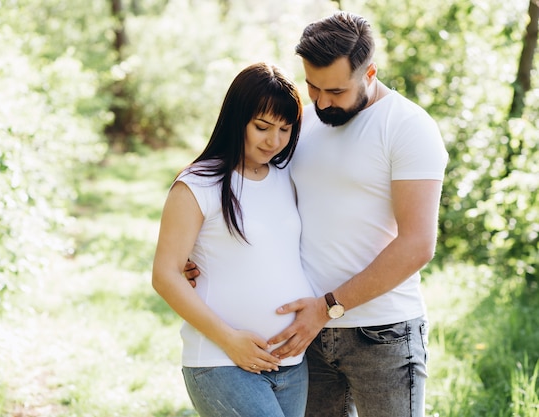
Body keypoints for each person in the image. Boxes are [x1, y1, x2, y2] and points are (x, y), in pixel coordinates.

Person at [185, 11, 448, 417]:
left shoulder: (408, 128)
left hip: (381, 333)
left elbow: (417, 245)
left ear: (370, 72)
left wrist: (326, 307)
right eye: (313, 86)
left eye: (336, 91)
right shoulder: (300, 125)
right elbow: (253, 192)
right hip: (304, 338)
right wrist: (196, 249)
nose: (323, 101)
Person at [152, 62, 315, 417]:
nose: (274, 141)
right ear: (236, 119)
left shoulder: (288, 177)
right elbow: (165, 275)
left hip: (291, 363)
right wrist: (229, 340)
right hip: (221, 361)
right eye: (262, 127)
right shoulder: (197, 184)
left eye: (285, 130)